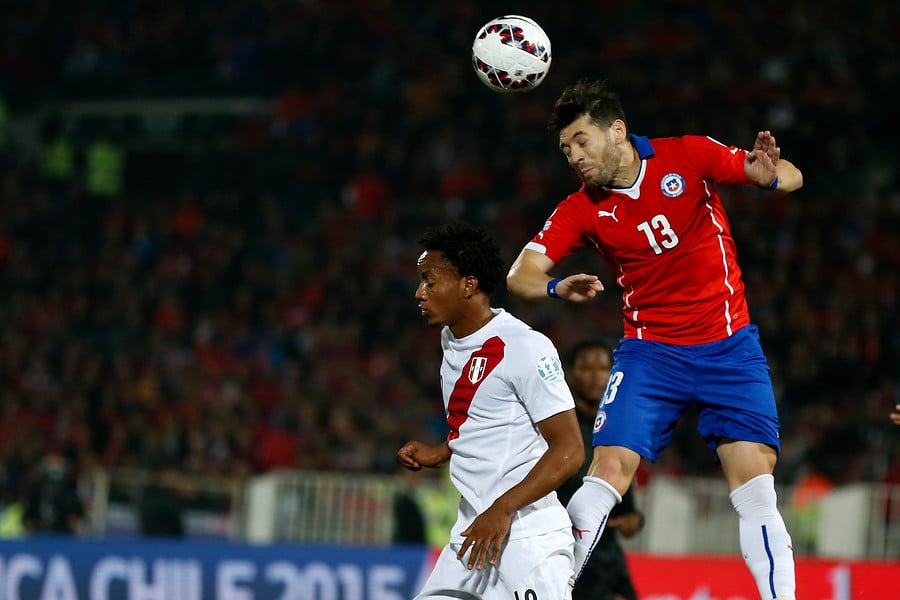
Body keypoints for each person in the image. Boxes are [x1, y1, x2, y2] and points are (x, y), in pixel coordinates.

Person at [506, 80, 803, 600]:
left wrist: (768, 176)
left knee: (756, 488)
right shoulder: (581, 208)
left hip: (729, 347)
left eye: (581, 140)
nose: (574, 156)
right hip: (650, 354)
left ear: (617, 131)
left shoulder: (688, 154)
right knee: (607, 470)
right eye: (566, 148)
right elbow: (519, 275)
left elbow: (792, 176)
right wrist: (555, 286)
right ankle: (550, 591)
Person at [399, 222, 584, 600]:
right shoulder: (451, 339)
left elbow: (570, 450)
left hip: (527, 539)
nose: (419, 292)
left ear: (468, 285)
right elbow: (488, 420)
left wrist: (503, 508)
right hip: (473, 535)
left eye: (429, 281)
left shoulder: (525, 347)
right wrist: (442, 451)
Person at [557, 340, 643, 600]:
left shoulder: (618, 429)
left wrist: (633, 520)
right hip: (562, 553)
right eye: (587, 368)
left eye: (603, 368)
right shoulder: (557, 427)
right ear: (570, 372)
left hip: (607, 557)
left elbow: (628, 506)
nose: (596, 376)